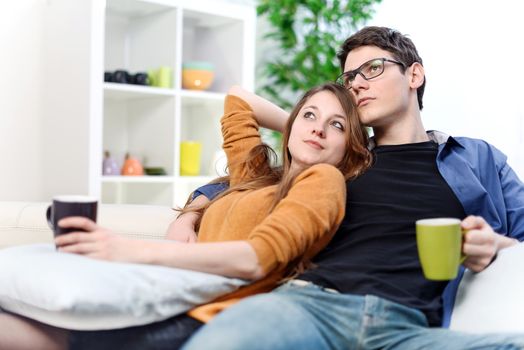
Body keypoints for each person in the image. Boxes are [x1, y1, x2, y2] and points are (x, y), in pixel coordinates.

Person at [180, 26, 524, 349]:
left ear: (414, 75)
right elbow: (256, 180)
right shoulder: (340, 158)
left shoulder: (477, 159)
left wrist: (495, 244)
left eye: (372, 68)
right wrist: (191, 212)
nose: (357, 84)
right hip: (310, 307)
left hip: (407, 330)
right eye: (349, 78)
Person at [0, 83, 371, 350]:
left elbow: (257, 258)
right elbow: (238, 99)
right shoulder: (254, 176)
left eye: (336, 125)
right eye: (310, 115)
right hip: (157, 293)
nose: (319, 128)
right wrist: (188, 216)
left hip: (198, 318)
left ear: (349, 147)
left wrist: (128, 250)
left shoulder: (324, 181)